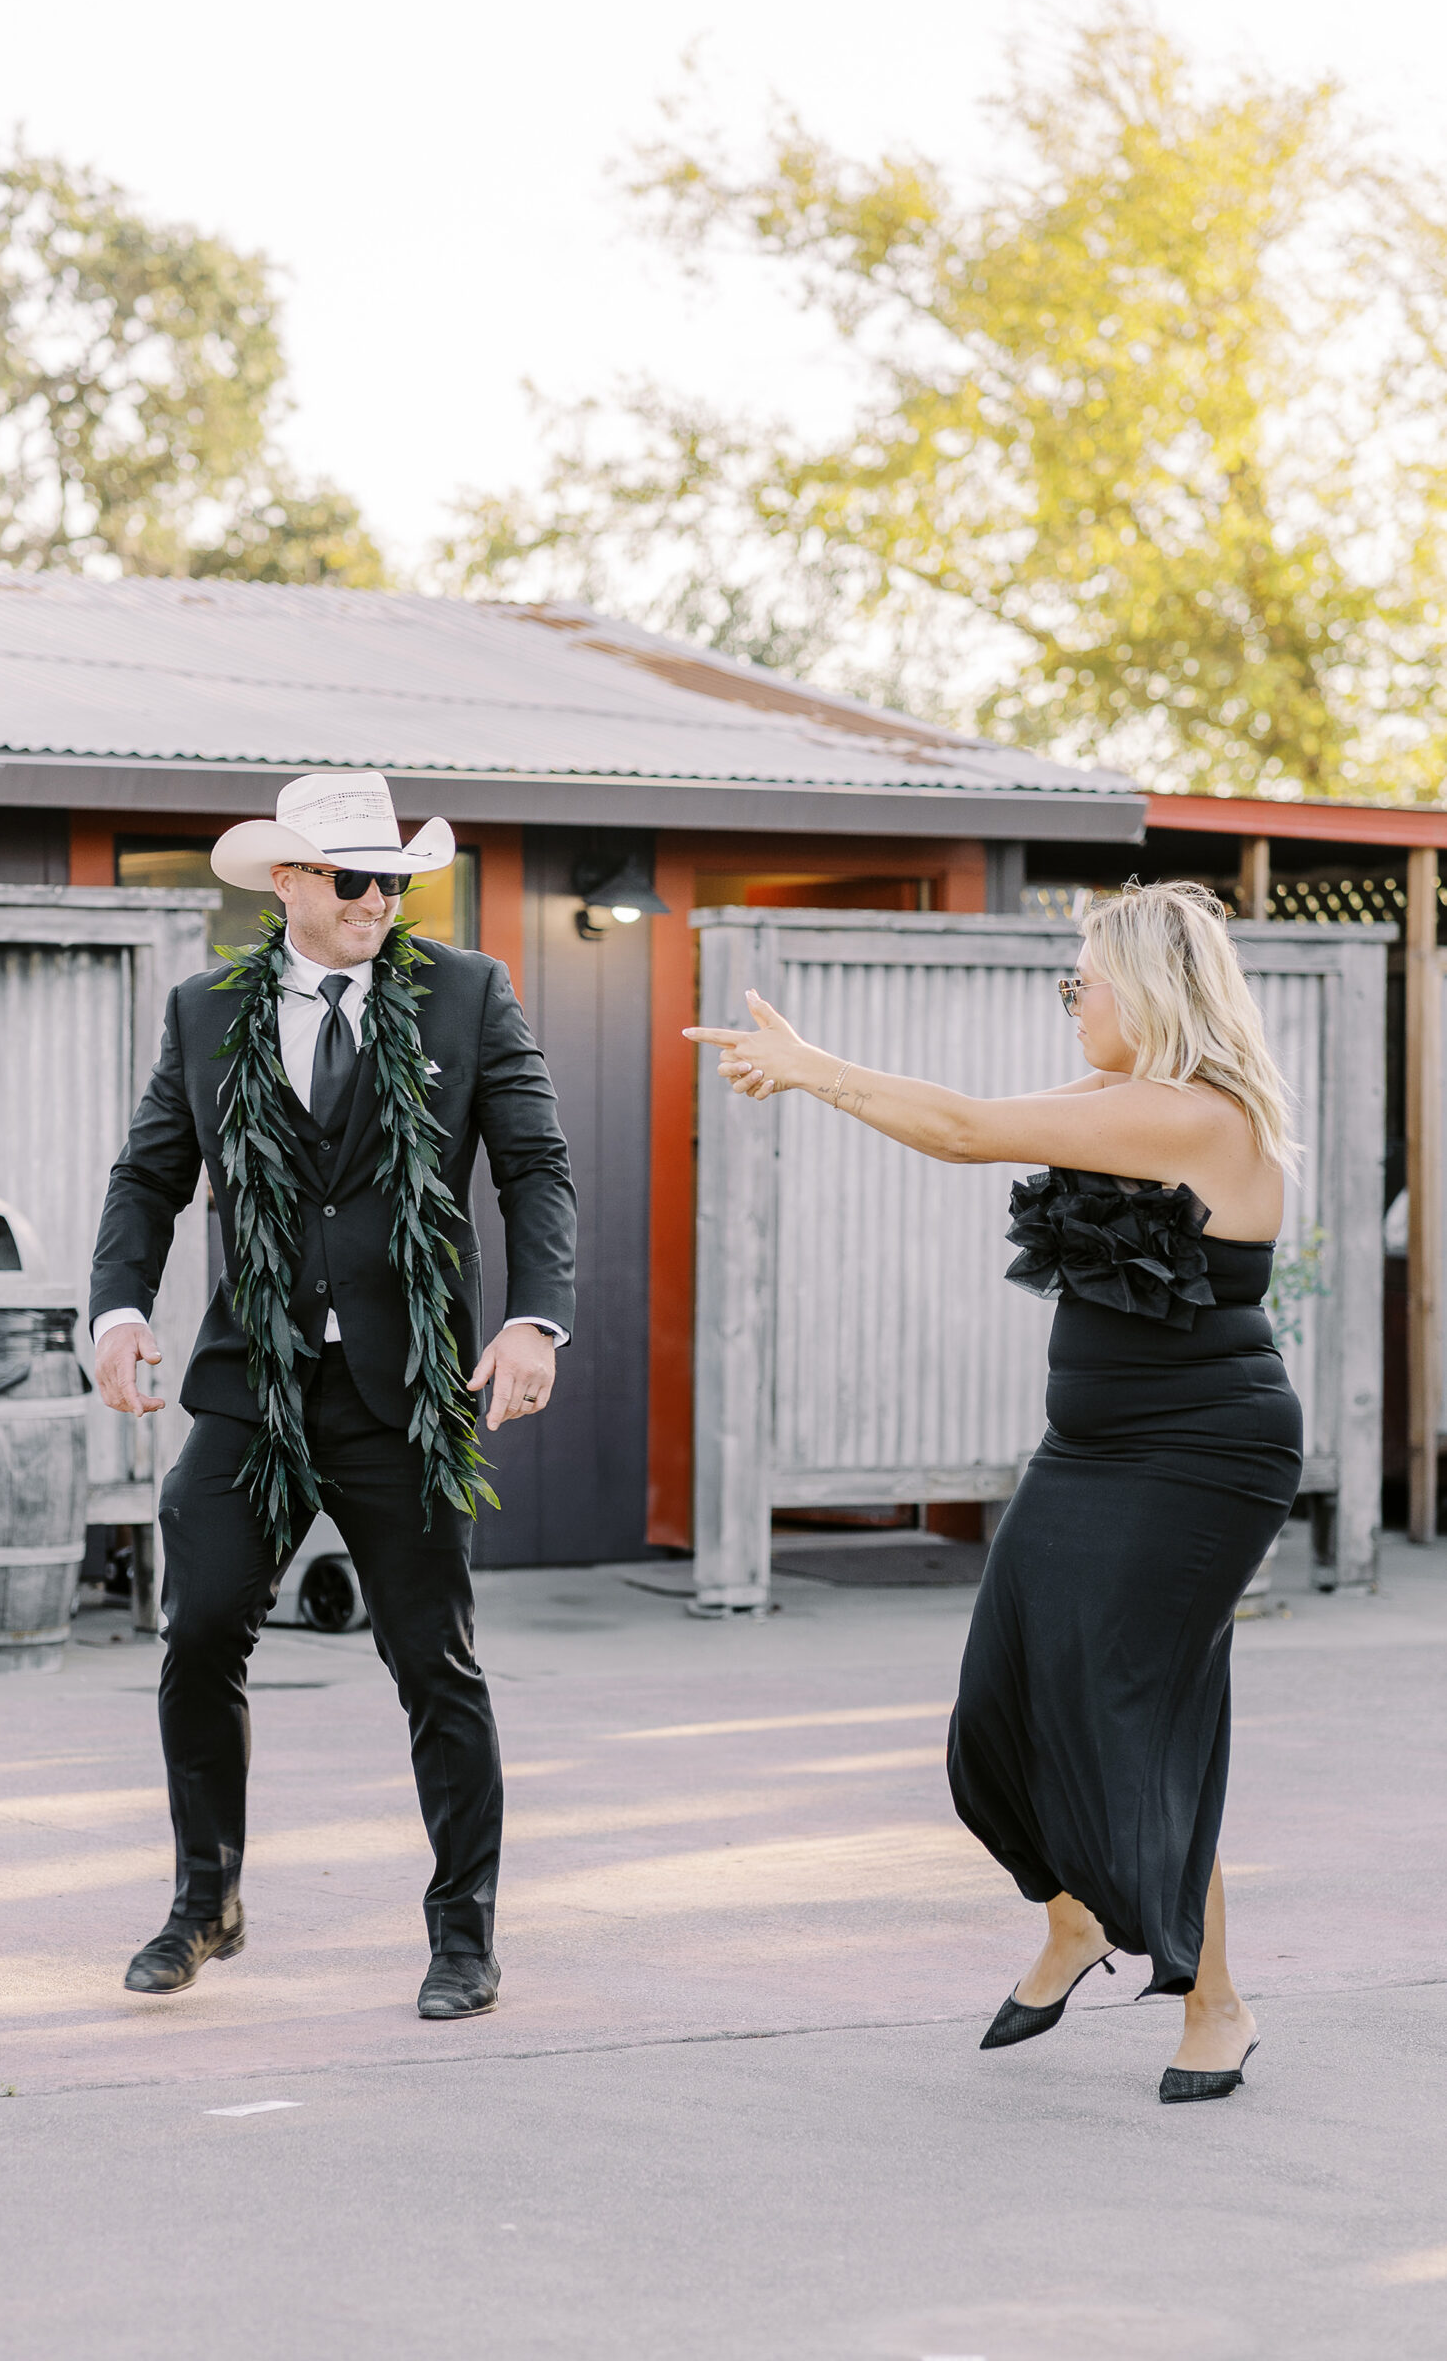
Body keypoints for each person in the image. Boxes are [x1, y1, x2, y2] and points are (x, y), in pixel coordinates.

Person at [688, 881, 1302, 2104]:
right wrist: (821, 1067)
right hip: (1085, 1454)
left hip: (1199, 1459)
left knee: (1135, 1722)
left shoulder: (1198, 1117)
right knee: (1000, 1706)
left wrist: (812, 1069)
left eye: (1082, 977)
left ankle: (1214, 2002)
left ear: (1147, 988)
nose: (1070, 997)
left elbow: (966, 1127)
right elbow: (957, 1119)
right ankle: (1076, 1919)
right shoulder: (1115, 1100)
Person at [90, 769, 576, 2018]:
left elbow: (531, 1165)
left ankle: (462, 1933)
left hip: (400, 1392)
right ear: (292, 882)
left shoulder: (465, 994)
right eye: (355, 877)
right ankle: (208, 1901)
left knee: (434, 1662)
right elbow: (149, 1177)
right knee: (197, 1630)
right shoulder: (206, 1012)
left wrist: (533, 1319)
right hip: (252, 1381)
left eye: (396, 879)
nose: (379, 899)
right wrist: (120, 1310)